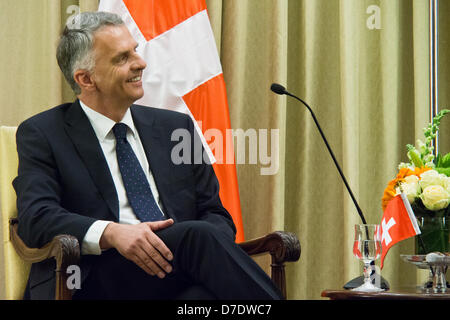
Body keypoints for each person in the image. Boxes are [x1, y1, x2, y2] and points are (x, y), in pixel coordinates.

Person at [12, 11, 283, 300]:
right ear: (86, 79)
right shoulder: (44, 133)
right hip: (90, 278)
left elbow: (215, 214)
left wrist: (181, 248)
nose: (140, 63)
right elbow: (36, 219)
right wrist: (113, 233)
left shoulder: (174, 128)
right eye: (121, 58)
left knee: (200, 298)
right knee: (197, 237)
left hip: (171, 271)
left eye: (135, 51)